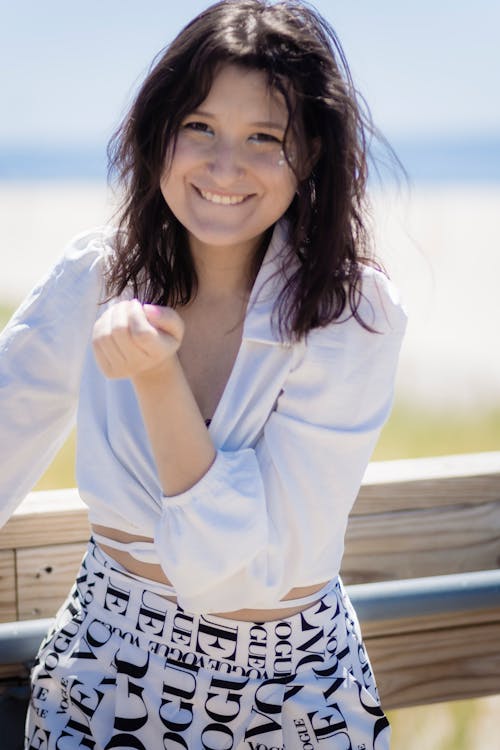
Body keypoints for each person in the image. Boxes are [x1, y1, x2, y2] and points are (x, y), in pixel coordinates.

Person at [0, 1, 406, 747]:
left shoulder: (353, 313)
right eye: (200, 128)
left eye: (263, 138)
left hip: (292, 698)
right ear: (160, 133)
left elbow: (240, 575)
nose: (225, 167)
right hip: (103, 675)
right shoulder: (97, 275)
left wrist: (156, 381)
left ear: (310, 154)